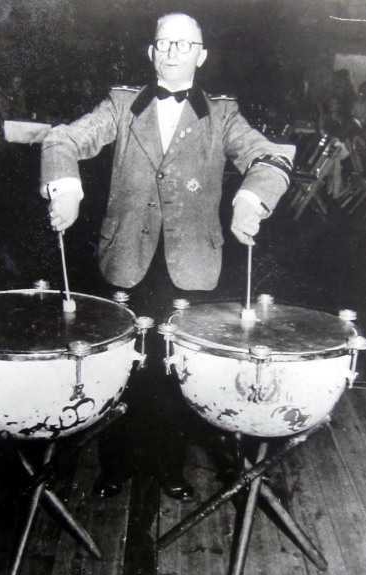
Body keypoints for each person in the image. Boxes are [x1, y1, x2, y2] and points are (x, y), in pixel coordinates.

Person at [40, 13, 295, 499]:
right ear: (151, 52)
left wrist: (251, 201)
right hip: (126, 260)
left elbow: (270, 157)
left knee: (177, 371)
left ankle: (168, 467)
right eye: (165, 42)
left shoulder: (223, 114)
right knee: (124, 367)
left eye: (185, 44)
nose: (174, 51)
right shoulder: (121, 105)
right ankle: (116, 466)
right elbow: (62, 139)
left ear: (201, 56)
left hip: (191, 266)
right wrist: (65, 188)